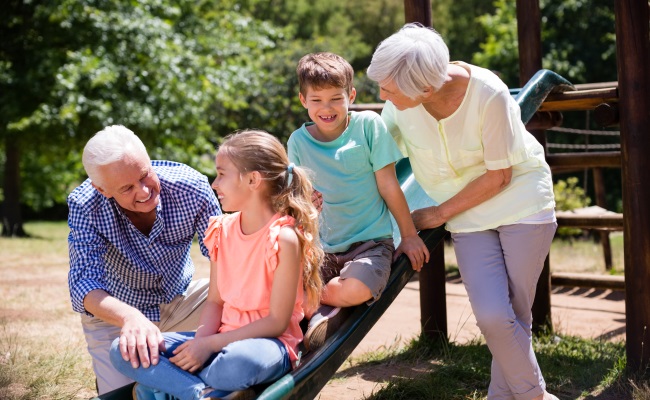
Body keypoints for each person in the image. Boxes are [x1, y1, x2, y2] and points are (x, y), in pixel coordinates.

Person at [367, 23, 559, 400]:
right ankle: (536, 396)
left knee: (512, 316)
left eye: (388, 88)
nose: (381, 95)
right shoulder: (400, 104)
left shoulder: (488, 94)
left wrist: (437, 214)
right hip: (469, 217)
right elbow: (373, 154)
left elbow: (500, 175)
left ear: (424, 89)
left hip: (521, 203)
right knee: (494, 317)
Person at [110, 129, 323, 400]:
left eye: (222, 174)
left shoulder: (283, 238)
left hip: (267, 346)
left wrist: (210, 345)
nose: (214, 183)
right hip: (218, 342)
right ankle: (202, 394)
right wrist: (200, 343)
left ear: (252, 180)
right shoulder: (221, 230)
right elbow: (215, 302)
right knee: (123, 349)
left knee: (237, 363)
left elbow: (277, 322)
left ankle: (166, 387)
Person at [288, 52, 430, 351]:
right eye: (316, 100)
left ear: (350, 95)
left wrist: (408, 235)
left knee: (358, 288)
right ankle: (317, 316)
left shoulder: (367, 126)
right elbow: (297, 201)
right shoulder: (298, 142)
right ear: (303, 100)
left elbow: (389, 185)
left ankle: (316, 301)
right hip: (322, 249)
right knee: (276, 283)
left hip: (370, 243)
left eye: (335, 99)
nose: (327, 108)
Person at [67, 125, 221, 395]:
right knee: (122, 397)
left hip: (183, 300)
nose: (143, 191)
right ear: (102, 189)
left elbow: (225, 258)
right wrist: (130, 317)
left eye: (144, 174)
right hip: (115, 316)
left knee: (244, 299)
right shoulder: (84, 205)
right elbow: (83, 283)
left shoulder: (192, 186)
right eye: (126, 188)